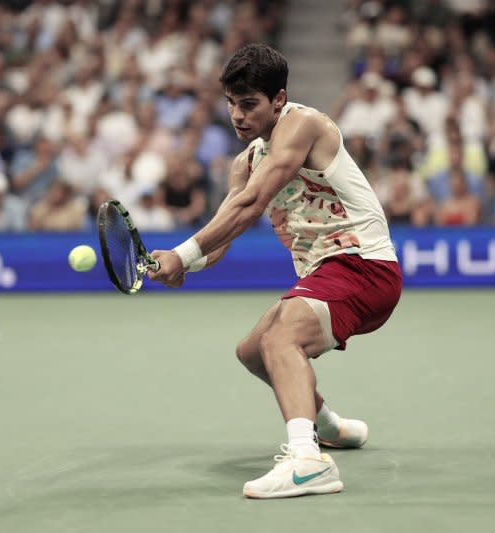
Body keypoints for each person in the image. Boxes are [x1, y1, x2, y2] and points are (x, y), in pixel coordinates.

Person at [148, 44, 401, 499]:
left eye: (249, 104)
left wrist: (183, 254)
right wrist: (179, 265)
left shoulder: (303, 124)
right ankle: (328, 427)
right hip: (326, 273)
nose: (238, 116)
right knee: (253, 351)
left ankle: (308, 462)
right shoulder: (244, 162)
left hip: (363, 266)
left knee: (280, 338)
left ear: (278, 99)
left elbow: (252, 204)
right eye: (231, 104)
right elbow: (225, 233)